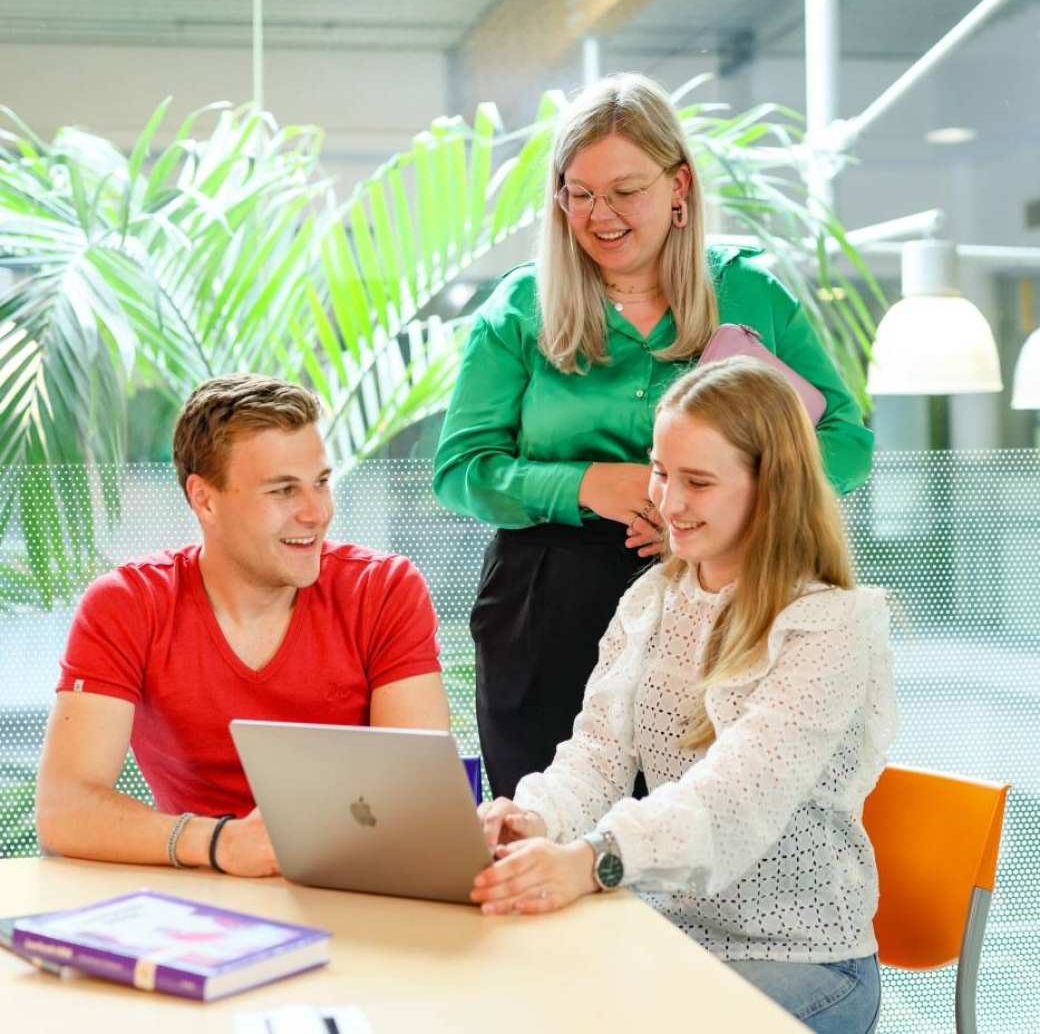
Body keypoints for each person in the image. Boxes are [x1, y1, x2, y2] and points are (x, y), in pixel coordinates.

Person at [433, 72, 874, 799]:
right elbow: (460, 470)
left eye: (624, 191)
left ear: (679, 187)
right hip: (547, 605)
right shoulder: (518, 306)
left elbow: (847, 445)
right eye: (578, 193)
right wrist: (588, 485)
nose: (598, 215)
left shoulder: (751, 292)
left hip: (727, 594)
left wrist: (726, 502)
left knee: (702, 835)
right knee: (550, 824)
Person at [469, 357, 896, 1034]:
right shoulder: (653, 599)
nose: (667, 503)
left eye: (697, 481)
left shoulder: (832, 625)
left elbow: (733, 794)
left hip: (807, 962)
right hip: (671, 939)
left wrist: (592, 859)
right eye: (662, 472)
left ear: (772, 489)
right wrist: (535, 819)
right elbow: (599, 754)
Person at [36, 374, 451, 877]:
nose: (317, 513)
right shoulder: (128, 605)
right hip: (201, 895)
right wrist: (221, 844)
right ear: (204, 499)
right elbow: (64, 809)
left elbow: (420, 806)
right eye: (283, 490)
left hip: (357, 888)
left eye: (321, 482)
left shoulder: (384, 589)